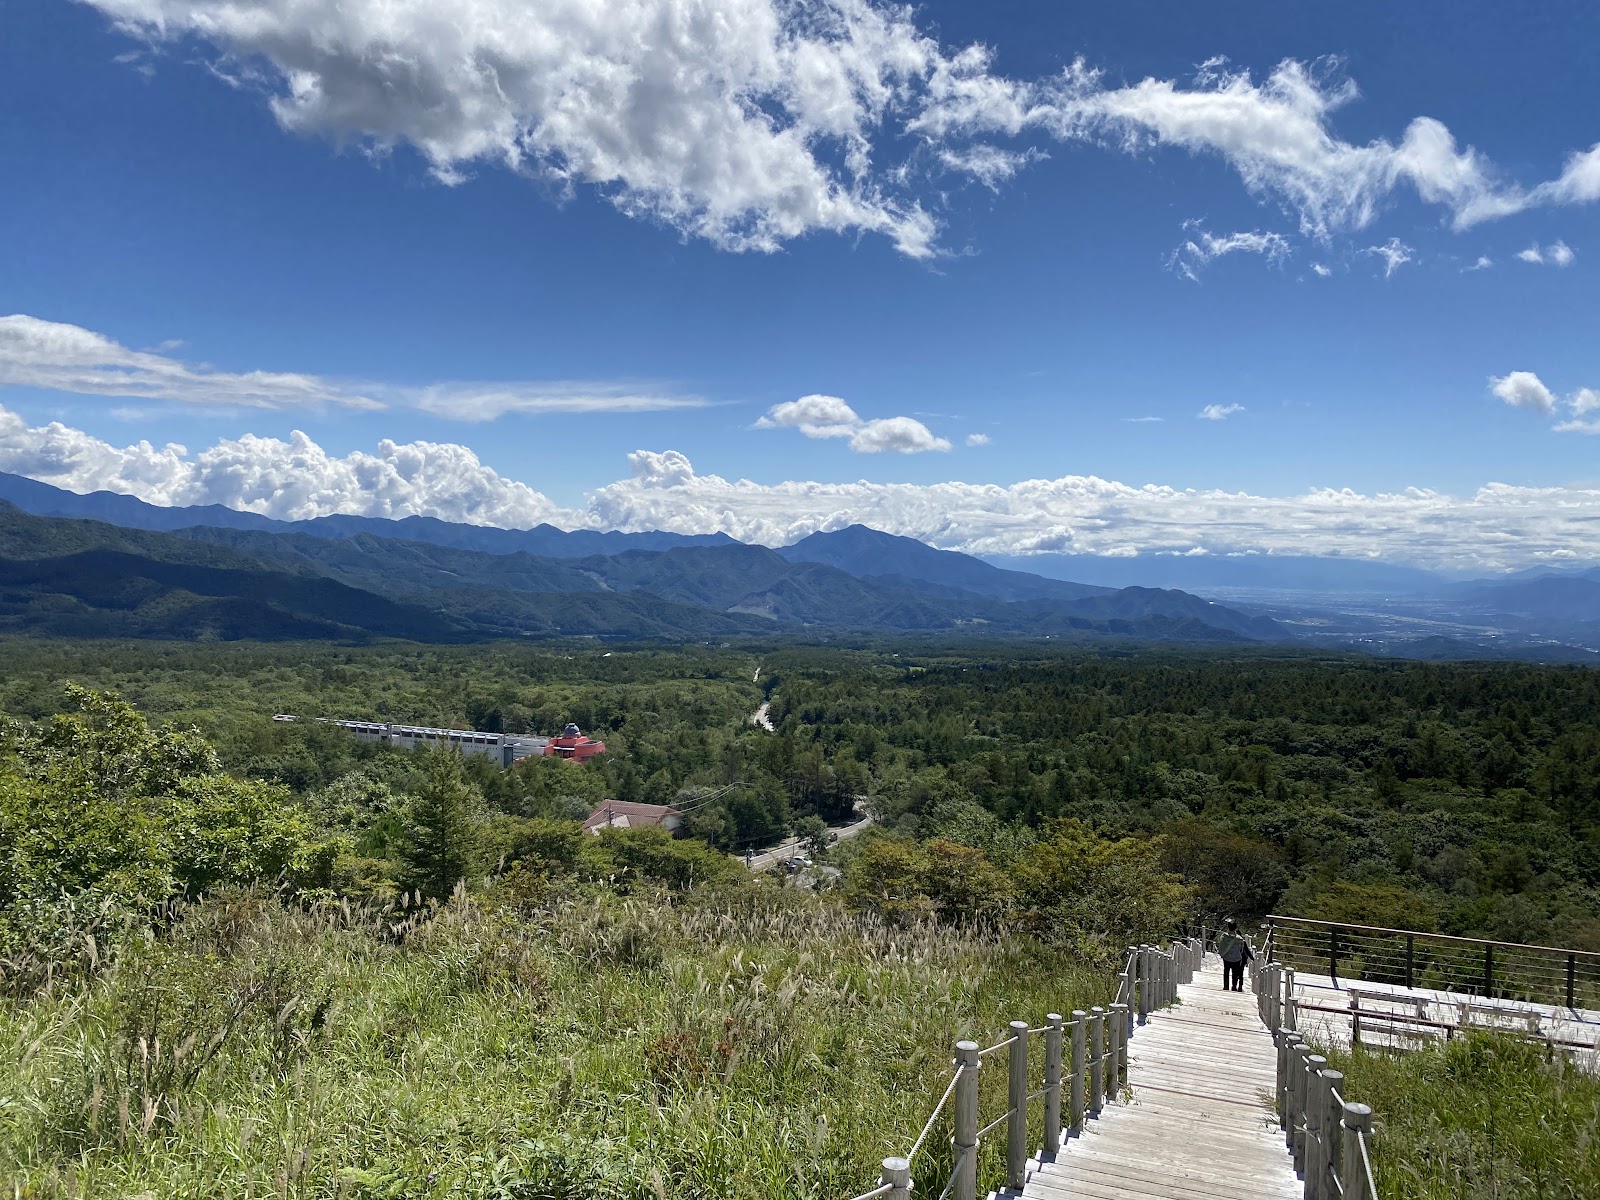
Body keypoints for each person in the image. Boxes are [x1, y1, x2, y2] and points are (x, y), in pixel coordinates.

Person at [1217, 918, 1253, 991]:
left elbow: (1221, 945)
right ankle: (1234, 987)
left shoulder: (1224, 937)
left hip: (1226, 956)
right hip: (1236, 958)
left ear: (1228, 927)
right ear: (1235, 928)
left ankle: (1226, 986)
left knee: (1226, 971)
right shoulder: (1239, 939)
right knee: (1235, 973)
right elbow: (1242, 949)